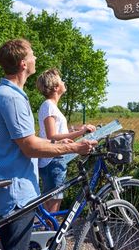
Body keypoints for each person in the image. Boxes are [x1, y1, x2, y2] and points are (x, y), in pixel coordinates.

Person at [0, 39, 97, 250]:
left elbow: (27, 139)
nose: (35, 58)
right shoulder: (12, 98)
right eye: (32, 55)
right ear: (23, 64)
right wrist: (75, 147)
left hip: (12, 186)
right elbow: (29, 147)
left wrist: (57, 141)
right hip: (15, 192)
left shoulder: (3, 94)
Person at [36, 68, 96, 213]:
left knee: (52, 200)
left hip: (53, 159)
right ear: (56, 87)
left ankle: (48, 232)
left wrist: (75, 131)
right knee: (54, 202)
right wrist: (81, 132)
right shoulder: (49, 106)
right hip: (53, 160)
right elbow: (52, 136)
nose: (64, 82)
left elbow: (58, 134)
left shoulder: (50, 106)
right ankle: (51, 234)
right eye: (61, 80)